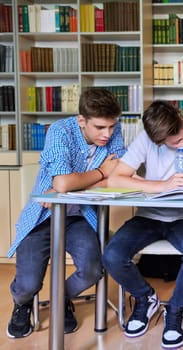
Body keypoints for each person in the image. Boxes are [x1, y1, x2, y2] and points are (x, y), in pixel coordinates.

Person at [6, 88, 126, 338]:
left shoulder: (113, 130)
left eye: (112, 127)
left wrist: (71, 185)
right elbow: (64, 184)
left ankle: (61, 298)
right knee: (28, 285)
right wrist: (101, 173)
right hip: (43, 216)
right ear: (81, 120)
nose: (108, 134)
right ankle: (22, 303)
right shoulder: (60, 131)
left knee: (93, 269)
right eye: (100, 128)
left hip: (79, 216)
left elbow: (121, 177)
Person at [102, 100, 183, 349]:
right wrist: (161, 186)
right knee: (112, 254)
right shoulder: (146, 139)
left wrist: (164, 186)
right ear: (158, 141)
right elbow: (116, 178)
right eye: (176, 142)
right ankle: (145, 299)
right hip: (148, 216)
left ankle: (174, 312)